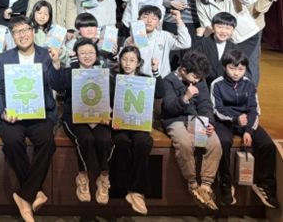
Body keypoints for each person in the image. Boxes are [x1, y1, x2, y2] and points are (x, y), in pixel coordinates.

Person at [0, 16, 57, 221]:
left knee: (47, 142)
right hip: (13, 115)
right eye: (17, 32)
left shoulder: (46, 55)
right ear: (12, 36)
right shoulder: (4, 58)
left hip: (41, 113)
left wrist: (57, 64)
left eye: (26, 30)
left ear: (33, 31)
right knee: (12, 142)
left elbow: (57, 84)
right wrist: (3, 112)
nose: (22, 35)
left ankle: (23, 196)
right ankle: (35, 192)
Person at [211, 49, 279, 208]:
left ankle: (264, 184)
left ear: (245, 69)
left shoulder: (249, 84)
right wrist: (235, 118)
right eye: (232, 68)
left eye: (240, 69)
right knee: (223, 143)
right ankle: (225, 183)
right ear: (224, 67)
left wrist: (249, 130)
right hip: (225, 122)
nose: (236, 73)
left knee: (267, 144)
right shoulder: (217, 84)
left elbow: (254, 110)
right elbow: (217, 109)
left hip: (246, 122)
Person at [49, 39, 112, 205]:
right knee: (86, 138)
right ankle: (82, 176)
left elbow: (112, 96)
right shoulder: (70, 72)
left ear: (96, 55)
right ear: (77, 55)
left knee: (105, 139)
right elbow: (56, 84)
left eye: (91, 52)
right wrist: (56, 62)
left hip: (98, 117)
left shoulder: (103, 74)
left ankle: (103, 177)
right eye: (83, 53)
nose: (87, 56)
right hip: (75, 117)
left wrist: (109, 112)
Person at [161, 49, 221, 210]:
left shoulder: (199, 80)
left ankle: (206, 186)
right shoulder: (169, 80)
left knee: (215, 143)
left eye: (200, 77)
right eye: (195, 76)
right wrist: (185, 97)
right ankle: (192, 183)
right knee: (184, 143)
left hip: (195, 119)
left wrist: (209, 122)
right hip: (175, 119)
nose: (198, 80)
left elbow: (205, 104)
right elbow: (169, 108)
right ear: (183, 70)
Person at [110, 45, 163, 215]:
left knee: (143, 142)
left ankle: (137, 191)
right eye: (124, 59)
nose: (127, 63)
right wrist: (111, 117)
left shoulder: (145, 79)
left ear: (138, 63)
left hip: (140, 124)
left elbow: (160, 92)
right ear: (120, 61)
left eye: (132, 60)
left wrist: (155, 70)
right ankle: (128, 189)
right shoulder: (114, 78)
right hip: (119, 124)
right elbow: (107, 102)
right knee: (121, 142)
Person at [195, 0, 260, 80]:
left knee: (241, 67)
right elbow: (205, 24)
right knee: (226, 68)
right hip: (225, 37)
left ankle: (249, 91)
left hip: (246, 35)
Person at [234, 0, 282, 85]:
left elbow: (260, 9)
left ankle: (251, 92)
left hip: (253, 27)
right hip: (233, 25)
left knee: (250, 61)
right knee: (231, 58)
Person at [126, 6, 191, 77]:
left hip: (161, 79)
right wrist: (131, 50)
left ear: (158, 23)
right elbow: (123, 61)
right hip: (139, 79)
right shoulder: (131, 39)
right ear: (138, 20)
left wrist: (178, 20)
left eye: (154, 18)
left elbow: (186, 43)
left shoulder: (165, 36)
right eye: (145, 17)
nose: (149, 21)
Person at [193, 12, 237, 86]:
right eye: (219, 27)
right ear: (213, 27)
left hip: (225, 86)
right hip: (202, 85)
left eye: (228, 28)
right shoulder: (202, 44)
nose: (223, 31)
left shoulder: (235, 48)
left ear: (233, 31)